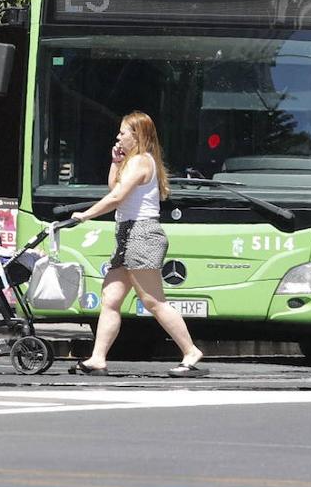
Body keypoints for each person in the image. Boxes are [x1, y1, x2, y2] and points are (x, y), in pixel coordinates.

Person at [69, 111, 207, 378]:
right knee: (110, 298)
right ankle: (98, 358)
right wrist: (115, 161)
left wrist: (85, 215)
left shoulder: (142, 162)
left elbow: (118, 197)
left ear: (137, 135)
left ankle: (190, 351)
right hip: (127, 234)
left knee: (153, 301)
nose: (118, 137)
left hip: (141, 234)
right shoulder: (133, 162)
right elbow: (115, 187)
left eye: (123, 132)